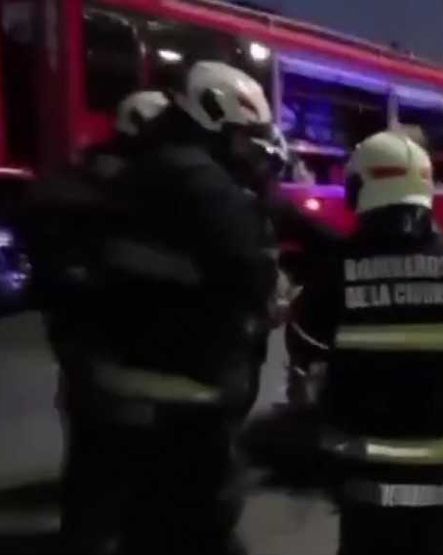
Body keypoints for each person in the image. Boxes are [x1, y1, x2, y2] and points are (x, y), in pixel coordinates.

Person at [32, 61, 284, 555]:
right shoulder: (202, 182)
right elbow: (247, 274)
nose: (245, 151)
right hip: (188, 389)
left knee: (120, 506)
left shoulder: (131, 170)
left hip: (114, 375)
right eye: (241, 136)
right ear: (215, 120)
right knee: (197, 522)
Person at [287, 130, 443, 555]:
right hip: (441, 462)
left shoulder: (338, 266)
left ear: (364, 189)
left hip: (361, 462)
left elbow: (303, 344)